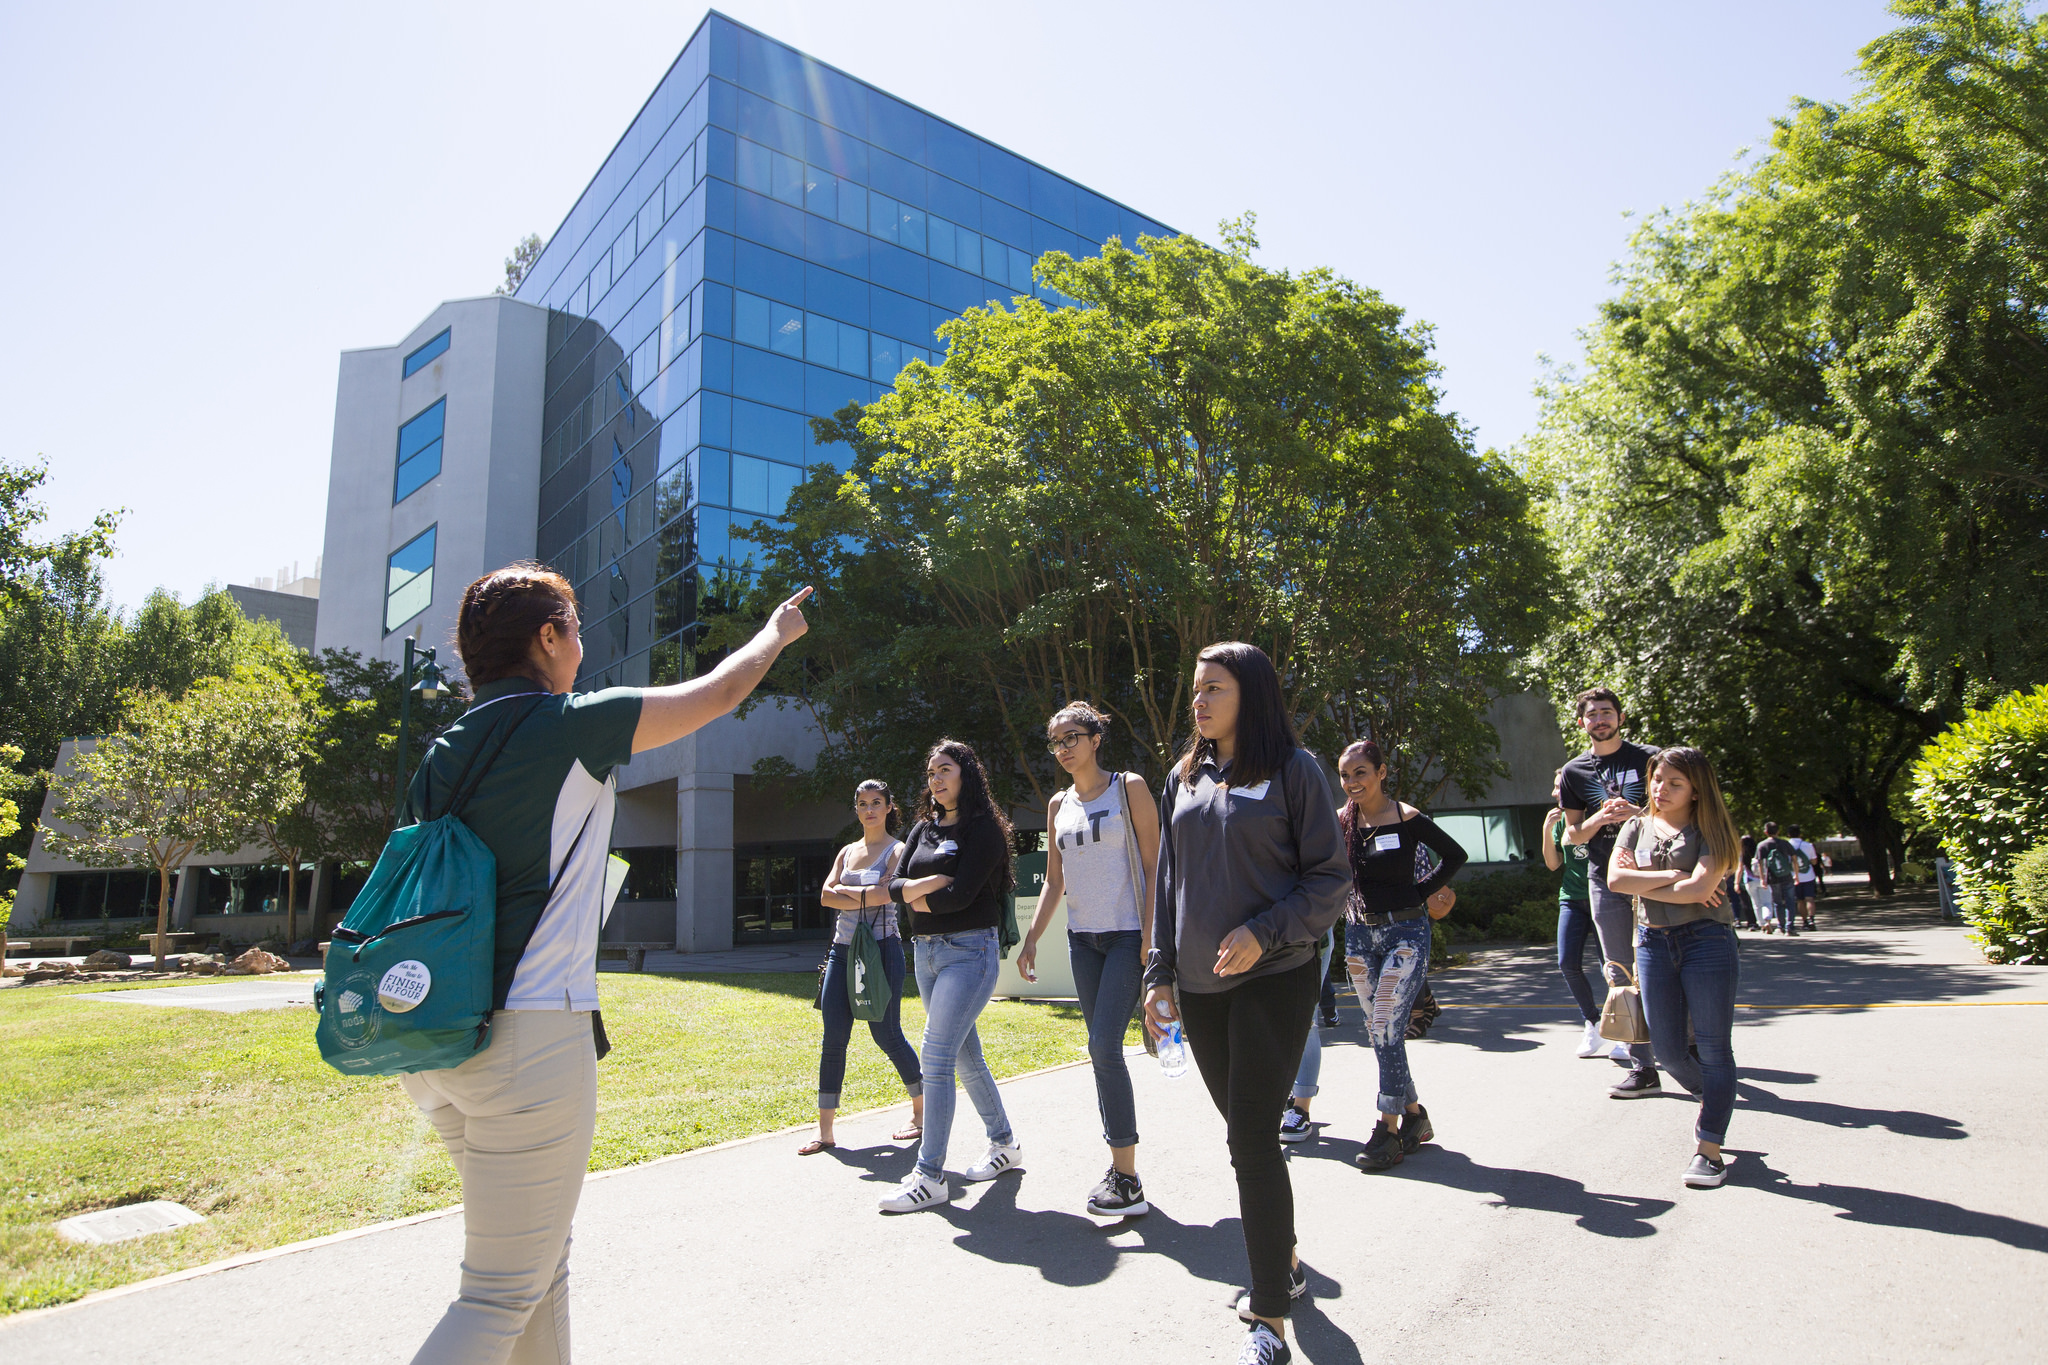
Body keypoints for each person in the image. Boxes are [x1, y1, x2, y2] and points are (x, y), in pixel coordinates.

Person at [399, 563, 811, 1364]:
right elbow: (721, 692)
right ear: (546, 637)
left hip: (437, 1043)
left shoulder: (443, 751)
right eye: (576, 628)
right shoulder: (572, 723)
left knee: (535, 1266)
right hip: (528, 1042)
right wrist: (776, 632)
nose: (582, 645)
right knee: (495, 1296)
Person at [1142, 642, 1348, 1365]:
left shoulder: (1296, 770)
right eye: (1194, 689)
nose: (1197, 701)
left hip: (1276, 973)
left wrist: (1265, 932)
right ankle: (1285, 1262)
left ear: (1250, 696)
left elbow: (1329, 878)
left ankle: (1269, 1321)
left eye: (1214, 689)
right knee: (1247, 1131)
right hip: (1197, 989)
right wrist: (1157, 975)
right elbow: (1167, 884)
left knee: (1251, 1141)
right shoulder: (1182, 777)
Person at [1016, 701, 1159, 1217]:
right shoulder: (1058, 805)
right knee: (1103, 1052)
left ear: (1096, 738)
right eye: (1056, 742)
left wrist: (1151, 935)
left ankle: (1126, 1177)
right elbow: (1055, 880)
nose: (1063, 749)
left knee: (1103, 1047)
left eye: (1071, 737)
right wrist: (1031, 938)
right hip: (1083, 940)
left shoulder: (1130, 787)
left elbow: (1153, 863)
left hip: (1126, 935)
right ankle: (1122, 1173)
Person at [878, 739, 1023, 1213]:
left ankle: (930, 1175)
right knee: (964, 1057)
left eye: (945, 769)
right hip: (926, 952)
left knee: (935, 1055)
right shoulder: (922, 828)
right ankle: (1004, 1144)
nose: (936, 779)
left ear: (966, 774)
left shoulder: (985, 829)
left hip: (969, 952)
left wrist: (918, 895)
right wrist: (929, 885)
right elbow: (892, 886)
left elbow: (963, 897)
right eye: (930, 772)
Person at [1605, 746, 1743, 1189]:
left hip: (1707, 941)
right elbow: (1615, 881)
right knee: (1665, 1049)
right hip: (1652, 943)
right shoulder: (1634, 826)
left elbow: (1700, 890)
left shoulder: (1712, 829)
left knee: (1714, 1047)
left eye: (1674, 783)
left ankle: (1709, 1149)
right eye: (1657, 779)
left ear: (1697, 790)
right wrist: (1677, 881)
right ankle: (1714, 1097)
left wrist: (1662, 885)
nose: (1660, 789)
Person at [1334, 740, 1469, 1172]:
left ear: (1381, 772)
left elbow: (1455, 855)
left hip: (1406, 932)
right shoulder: (1341, 824)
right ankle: (1414, 1117)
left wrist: (1421, 892)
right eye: (1345, 775)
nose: (1353, 782)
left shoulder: (1406, 818)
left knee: (1385, 1022)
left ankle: (1387, 1130)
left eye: (1361, 772)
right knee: (1381, 1031)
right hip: (1358, 937)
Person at [801, 780, 924, 1156]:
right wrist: (865, 895)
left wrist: (847, 895)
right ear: (856, 809)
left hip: (882, 948)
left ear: (889, 807)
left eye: (876, 802)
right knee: (833, 1037)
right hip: (842, 950)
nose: (869, 809)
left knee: (885, 1034)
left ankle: (921, 1113)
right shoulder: (846, 851)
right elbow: (824, 896)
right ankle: (825, 1132)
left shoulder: (896, 850)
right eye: (862, 803)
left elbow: (889, 893)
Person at [1558, 687, 1667, 1096]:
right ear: (1582, 723)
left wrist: (1638, 814)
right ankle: (1643, 1066)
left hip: (1656, 875)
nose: (1600, 720)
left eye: (1607, 712)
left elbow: (1676, 812)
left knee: (1667, 963)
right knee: (1619, 970)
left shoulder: (1650, 758)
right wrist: (1600, 817)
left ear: (1620, 718)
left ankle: (1688, 1046)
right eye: (1592, 714)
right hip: (1604, 876)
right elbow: (1572, 836)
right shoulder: (1575, 772)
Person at [1541, 766, 1604, 1056]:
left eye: (1559, 787)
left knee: (1614, 968)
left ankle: (1628, 1030)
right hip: (1572, 898)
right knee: (1567, 963)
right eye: (1554, 787)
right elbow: (1553, 864)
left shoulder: (1598, 815)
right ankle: (1593, 1022)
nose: (1555, 793)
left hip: (1605, 898)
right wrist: (1546, 829)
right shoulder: (1558, 821)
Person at [1279, 925, 1339, 1144]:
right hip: (1263, 939)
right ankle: (1285, 1098)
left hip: (1308, 934)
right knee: (1270, 1021)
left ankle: (1301, 1108)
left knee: (1306, 1020)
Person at [1756, 821, 1800, 937]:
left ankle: (1781, 927)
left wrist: (1762, 879)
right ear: (1778, 831)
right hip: (1787, 876)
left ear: (1765, 832)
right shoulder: (1785, 843)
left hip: (1772, 878)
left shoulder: (1762, 845)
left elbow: (1760, 863)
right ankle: (1790, 927)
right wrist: (1796, 874)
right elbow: (1794, 858)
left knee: (1777, 903)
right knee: (1790, 902)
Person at [1789, 824, 1820, 930]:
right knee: (1810, 899)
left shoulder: (1787, 845)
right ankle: (1812, 920)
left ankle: (1804, 921)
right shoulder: (1808, 845)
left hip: (1794, 876)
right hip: (1808, 875)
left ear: (1789, 834)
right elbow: (1814, 861)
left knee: (1800, 900)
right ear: (1800, 833)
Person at [1738, 832, 1769, 931]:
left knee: (1755, 903)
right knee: (1766, 902)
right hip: (1761, 879)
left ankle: (1760, 924)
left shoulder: (1742, 854)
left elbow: (1740, 869)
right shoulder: (1759, 851)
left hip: (1749, 880)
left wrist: (1736, 883)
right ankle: (1767, 919)